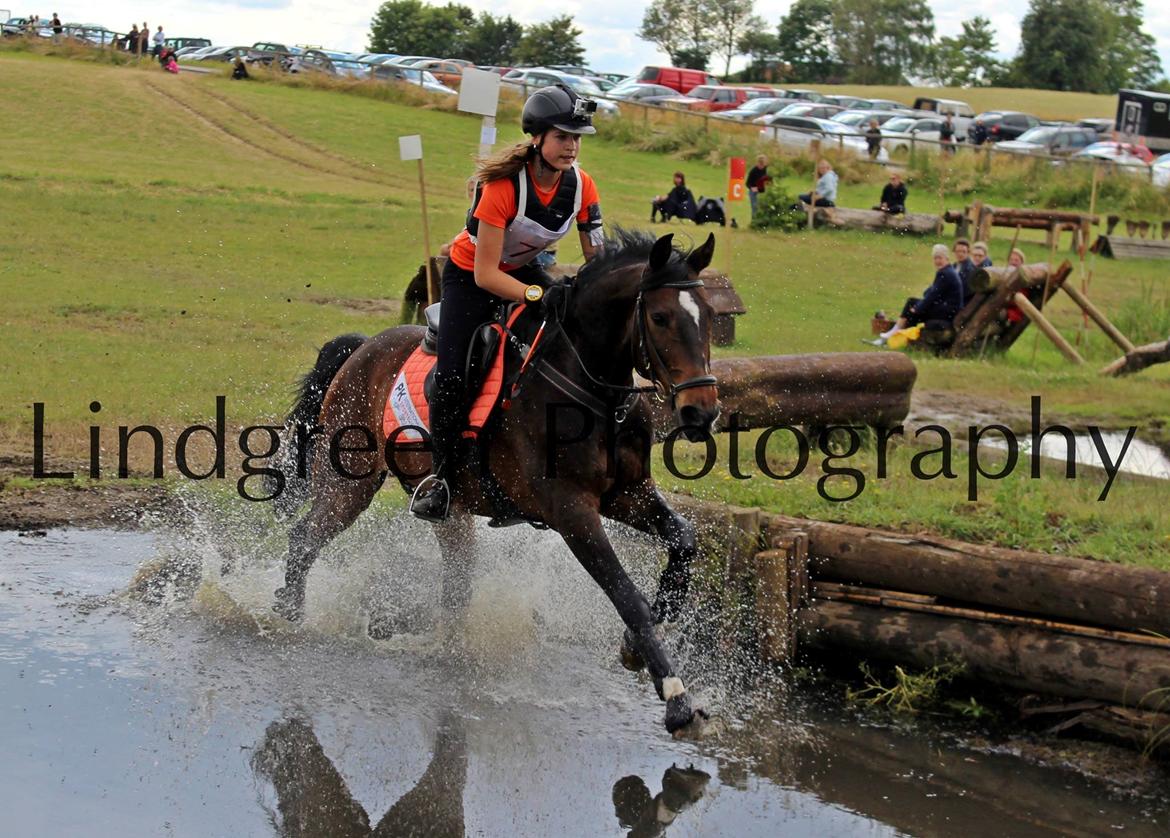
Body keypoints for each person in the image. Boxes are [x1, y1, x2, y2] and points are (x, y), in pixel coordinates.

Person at [409, 84, 604, 522]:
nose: (571, 146)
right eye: (562, 136)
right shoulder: (501, 188)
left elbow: (598, 257)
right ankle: (440, 477)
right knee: (456, 375)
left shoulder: (583, 187)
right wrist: (539, 293)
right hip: (470, 278)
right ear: (538, 138)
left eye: (577, 138)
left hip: (523, 272)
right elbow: (486, 274)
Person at [875, 244, 965, 344]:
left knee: (913, 306)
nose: (937, 261)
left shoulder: (945, 273)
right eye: (935, 258)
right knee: (913, 303)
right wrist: (920, 305)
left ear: (946, 258)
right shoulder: (948, 271)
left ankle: (897, 335)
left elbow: (932, 296)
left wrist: (917, 308)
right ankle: (898, 334)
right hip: (947, 310)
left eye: (940, 258)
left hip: (947, 312)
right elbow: (932, 291)